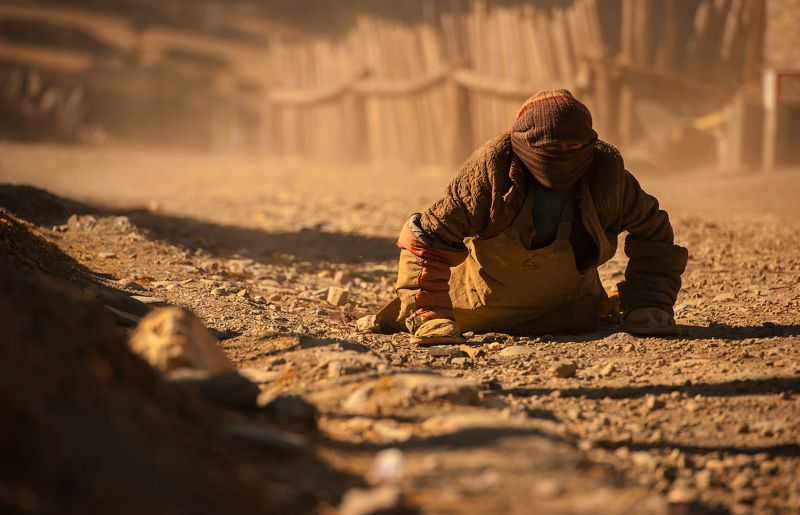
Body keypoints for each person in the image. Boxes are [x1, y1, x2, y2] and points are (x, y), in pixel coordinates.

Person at [376, 89, 688, 345]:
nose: (562, 155)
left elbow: (654, 231)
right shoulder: (492, 172)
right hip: (476, 311)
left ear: (589, 144)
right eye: (549, 146)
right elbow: (427, 237)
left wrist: (649, 303)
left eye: (573, 146)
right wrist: (431, 313)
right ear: (523, 144)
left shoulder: (606, 176)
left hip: (570, 315)